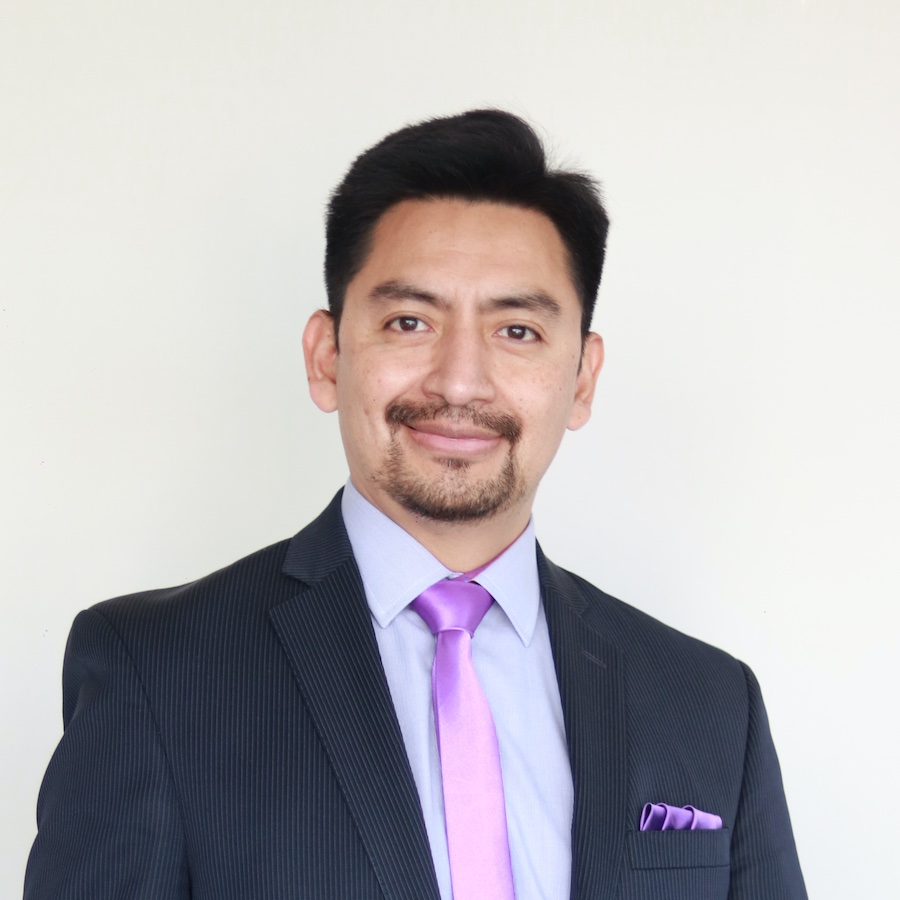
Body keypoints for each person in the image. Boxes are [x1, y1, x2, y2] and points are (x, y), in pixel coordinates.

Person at [25, 110, 806, 900]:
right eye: (409, 321)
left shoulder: (710, 703)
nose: (460, 381)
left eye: (518, 331)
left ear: (582, 378)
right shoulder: (157, 674)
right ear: (327, 357)